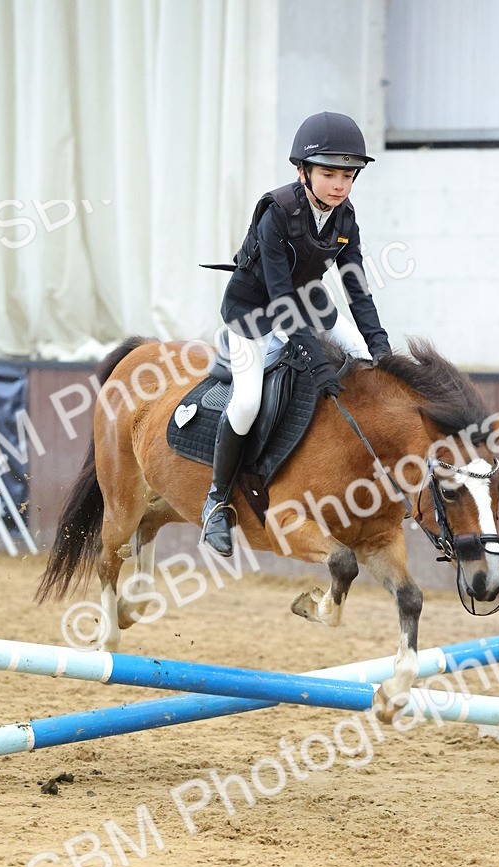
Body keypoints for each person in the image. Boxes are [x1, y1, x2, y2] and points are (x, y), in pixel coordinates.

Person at [201, 110, 392, 557]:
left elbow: (357, 290)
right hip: (253, 312)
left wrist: (381, 350)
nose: (340, 186)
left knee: (368, 359)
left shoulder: (345, 218)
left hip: (307, 301)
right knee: (246, 402)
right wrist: (317, 362)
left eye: (348, 175)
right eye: (329, 174)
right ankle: (216, 501)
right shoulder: (276, 214)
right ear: (302, 171)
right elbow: (281, 303)